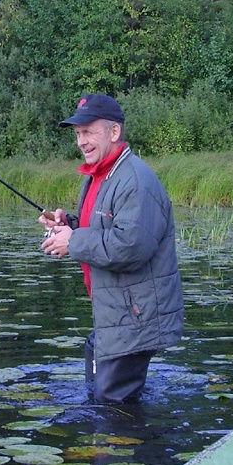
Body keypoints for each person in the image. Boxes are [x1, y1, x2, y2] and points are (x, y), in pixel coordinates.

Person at [40, 93, 184, 403]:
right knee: (100, 396)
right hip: (116, 312)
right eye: (78, 134)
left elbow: (130, 247)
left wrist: (74, 241)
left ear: (114, 132)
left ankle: (130, 450)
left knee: (111, 404)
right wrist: (71, 225)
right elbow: (107, 228)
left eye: (89, 131)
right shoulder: (100, 175)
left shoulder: (134, 180)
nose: (81, 141)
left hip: (136, 316)